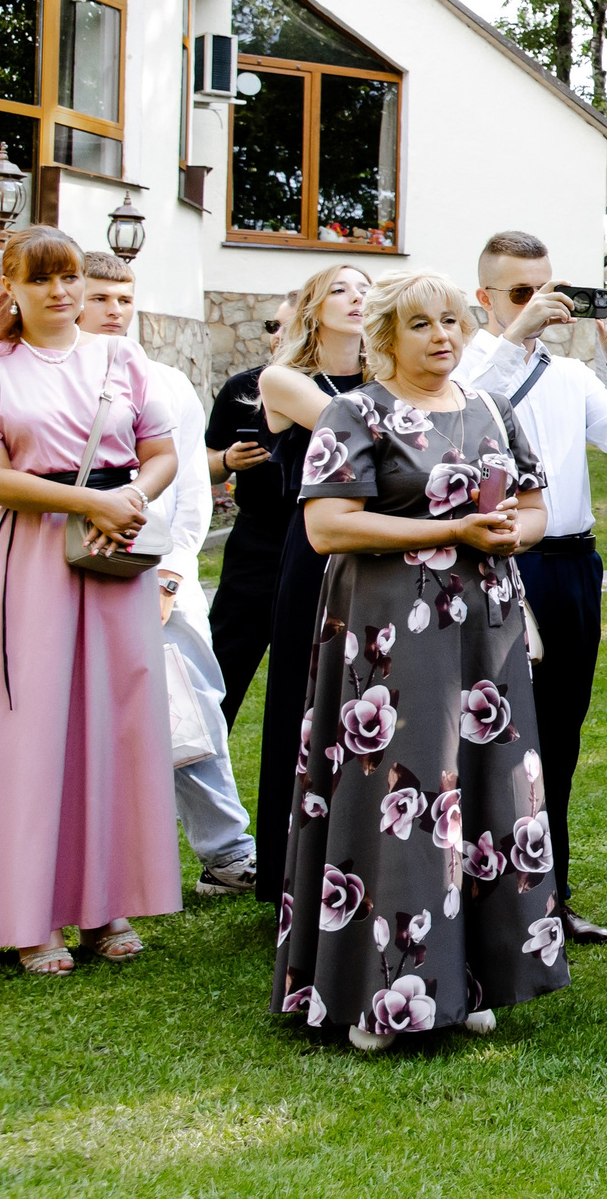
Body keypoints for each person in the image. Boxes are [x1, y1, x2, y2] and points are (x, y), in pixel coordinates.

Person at [273, 270, 564, 1049]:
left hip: (486, 633)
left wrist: (512, 534)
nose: (442, 336)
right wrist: (449, 535)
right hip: (390, 635)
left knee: (485, 791)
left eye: (451, 322)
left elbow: (535, 506)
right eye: (421, 324)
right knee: (401, 790)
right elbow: (328, 527)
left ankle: (470, 980)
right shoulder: (356, 410)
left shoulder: (491, 409)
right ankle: (376, 992)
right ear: (388, 338)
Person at [0, 227, 180, 975]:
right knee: (30, 733)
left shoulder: (119, 355)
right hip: (33, 557)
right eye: (41, 280)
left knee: (116, 722)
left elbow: (160, 453)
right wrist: (83, 502)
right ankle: (29, 916)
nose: (61, 292)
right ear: (13, 287)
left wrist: (129, 498)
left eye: (68, 276)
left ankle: (106, 906)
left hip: (115, 551)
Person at [456, 230, 607, 946]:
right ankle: (485, 899)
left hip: (572, 564)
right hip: (500, 561)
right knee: (497, 733)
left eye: (547, 289)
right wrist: (515, 334)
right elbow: (469, 414)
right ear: (486, 299)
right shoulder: (471, 361)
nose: (541, 305)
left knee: (560, 737)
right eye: (519, 293)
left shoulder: (570, 378)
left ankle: (551, 896)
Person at [81, 254, 255, 897]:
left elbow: (188, 493)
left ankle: (229, 852)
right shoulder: (44, 382)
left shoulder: (165, 384)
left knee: (192, 706)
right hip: (61, 567)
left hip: (156, 571)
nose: (113, 310)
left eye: (123, 298)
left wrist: (172, 573)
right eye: (99, 297)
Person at [252, 264, 372, 903]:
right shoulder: (283, 379)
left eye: (366, 290)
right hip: (316, 553)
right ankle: (287, 870)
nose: (357, 299)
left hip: (381, 548)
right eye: (341, 289)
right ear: (311, 306)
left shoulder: (386, 381)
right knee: (306, 704)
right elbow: (361, 429)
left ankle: (361, 858)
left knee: (370, 703)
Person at [206, 294, 295, 725]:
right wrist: (226, 462)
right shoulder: (243, 387)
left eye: (287, 326)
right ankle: (195, 771)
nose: (276, 336)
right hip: (256, 539)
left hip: (321, 541)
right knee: (224, 662)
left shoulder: (350, 389)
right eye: (271, 326)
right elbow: (200, 463)